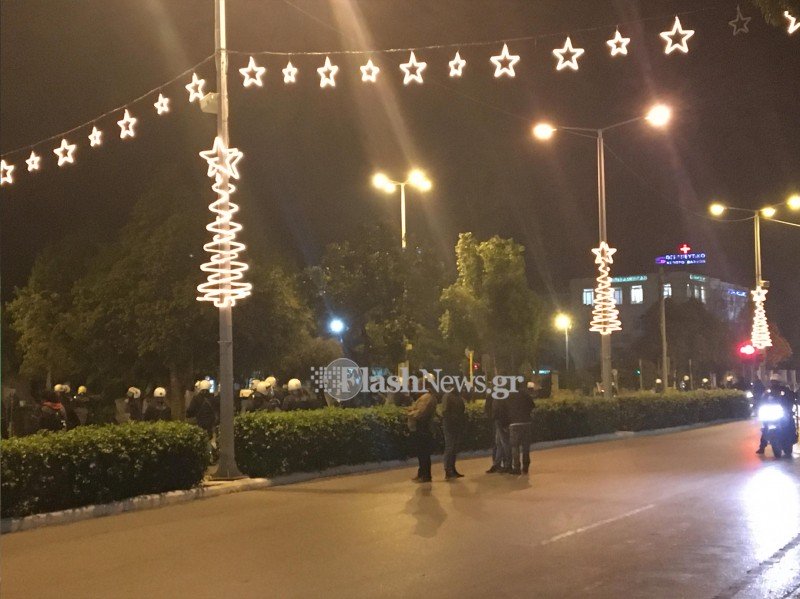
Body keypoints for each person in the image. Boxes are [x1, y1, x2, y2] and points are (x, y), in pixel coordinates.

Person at [407, 387, 439, 483]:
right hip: (425, 428)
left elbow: (420, 413)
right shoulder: (430, 397)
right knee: (423, 453)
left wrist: (410, 413)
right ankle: (423, 473)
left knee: (423, 453)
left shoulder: (427, 398)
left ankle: (425, 475)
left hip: (422, 429)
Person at [507, 384, 536, 475]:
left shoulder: (509, 395)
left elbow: (505, 409)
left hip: (514, 423)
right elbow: (532, 405)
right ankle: (525, 467)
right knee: (526, 447)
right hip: (526, 423)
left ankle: (516, 467)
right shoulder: (525, 395)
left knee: (515, 446)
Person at [440, 389, 466, 480]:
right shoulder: (448, 396)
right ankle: (448, 470)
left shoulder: (458, 396)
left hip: (457, 425)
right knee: (450, 447)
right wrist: (452, 421)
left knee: (454, 448)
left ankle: (452, 468)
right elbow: (445, 412)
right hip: (450, 426)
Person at [487, 394, 511, 473]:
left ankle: (507, 464)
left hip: (500, 422)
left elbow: (500, 411)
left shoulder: (498, 397)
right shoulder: (500, 396)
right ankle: (499, 464)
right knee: (500, 443)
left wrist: (504, 424)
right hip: (499, 422)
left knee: (503, 443)